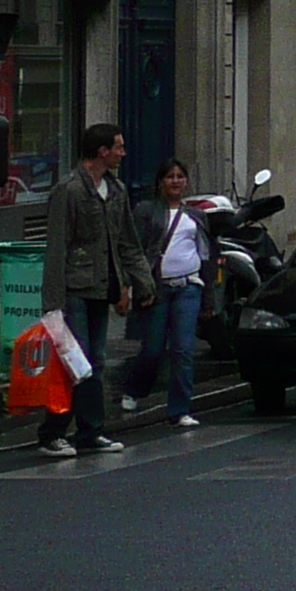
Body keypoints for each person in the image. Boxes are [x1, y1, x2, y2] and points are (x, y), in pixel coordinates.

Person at [39, 123, 154, 456]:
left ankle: (90, 431)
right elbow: (57, 247)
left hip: (101, 288)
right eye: (118, 147)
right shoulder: (70, 190)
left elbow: (127, 242)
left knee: (96, 361)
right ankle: (52, 432)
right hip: (74, 288)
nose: (123, 153)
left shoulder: (116, 190)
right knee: (74, 362)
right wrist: (53, 303)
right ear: (102, 151)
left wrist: (141, 282)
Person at [121, 160, 208, 428]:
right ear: (160, 182)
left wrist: (209, 297)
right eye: (170, 176)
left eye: (180, 176)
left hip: (189, 287)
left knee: (183, 349)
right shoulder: (146, 211)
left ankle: (180, 409)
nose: (175, 181)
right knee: (153, 349)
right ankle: (134, 389)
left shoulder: (196, 216)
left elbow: (206, 254)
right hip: (157, 288)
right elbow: (132, 249)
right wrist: (134, 286)